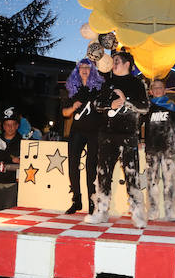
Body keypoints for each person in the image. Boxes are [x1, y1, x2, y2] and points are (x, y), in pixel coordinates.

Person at [89, 51, 150, 227]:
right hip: (106, 135)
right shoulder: (107, 82)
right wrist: (110, 104)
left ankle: (138, 214)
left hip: (128, 135)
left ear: (127, 64)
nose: (112, 63)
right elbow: (96, 104)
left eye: (116, 61)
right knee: (103, 174)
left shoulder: (137, 83)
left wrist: (126, 101)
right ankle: (101, 211)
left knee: (132, 174)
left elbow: (145, 107)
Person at [61, 58, 105, 214]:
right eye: (82, 67)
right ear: (77, 71)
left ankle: (92, 202)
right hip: (77, 131)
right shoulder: (73, 88)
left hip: (95, 131)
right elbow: (65, 113)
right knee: (73, 165)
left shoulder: (99, 88)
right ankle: (77, 200)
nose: (85, 69)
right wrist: (73, 107)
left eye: (88, 67)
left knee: (91, 167)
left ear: (92, 70)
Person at [143, 78, 175, 222]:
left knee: (169, 180)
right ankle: (153, 210)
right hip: (151, 149)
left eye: (160, 87)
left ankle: (170, 210)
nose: (158, 90)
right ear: (151, 91)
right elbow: (139, 125)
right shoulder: (147, 107)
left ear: (165, 90)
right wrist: (140, 141)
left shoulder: (171, 106)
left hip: (168, 149)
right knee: (152, 180)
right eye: (155, 88)